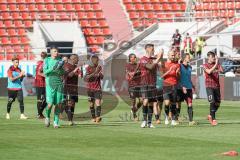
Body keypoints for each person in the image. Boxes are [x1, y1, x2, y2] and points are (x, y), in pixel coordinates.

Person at [139, 44, 163, 128]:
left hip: (153, 83)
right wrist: (158, 59)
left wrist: (161, 55)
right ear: (147, 49)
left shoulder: (153, 58)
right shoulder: (142, 59)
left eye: (154, 49)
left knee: (151, 103)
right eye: (152, 49)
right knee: (145, 101)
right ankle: (144, 120)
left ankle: (149, 122)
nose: (153, 50)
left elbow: (161, 64)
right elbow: (150, 67)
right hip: (144, 83)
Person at [43, 47, 65, 128]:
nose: (56, 52)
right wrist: (53, 68)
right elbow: (45, 72)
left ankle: (56, 122)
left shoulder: (60, 60)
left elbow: (63, 72)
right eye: (54, 51)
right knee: (50, 104)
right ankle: (47, 117)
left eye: (57, 51)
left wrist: (61, 68)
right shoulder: (47, 60)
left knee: (58, 104)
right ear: (51, 52)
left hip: (58, 83)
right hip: (49, 84)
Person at [202, 51, 223, 126]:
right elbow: (209, 71)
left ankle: (210, 115)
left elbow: (222, 70)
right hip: (209, 86)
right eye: (212, 57)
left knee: (218, 103)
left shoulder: (216, 64)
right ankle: (213, 119)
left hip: (217, 86)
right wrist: (216, 64)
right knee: (212, 102)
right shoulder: (205, 65)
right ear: (208, 57)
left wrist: (218, 62)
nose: (213, 58)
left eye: (214, 57)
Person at [161, 50, 180, 126]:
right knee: (167, 103)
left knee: (173, 103)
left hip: (174, 85)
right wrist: (169, 71)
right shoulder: (164, 64)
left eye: (173, 55)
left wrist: (177, 73)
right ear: (168, 55)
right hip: (166, 85)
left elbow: (179, 77)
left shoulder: (177, 65)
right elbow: (161, 76)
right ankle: (166, 117)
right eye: (171, 55)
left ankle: (173, 119)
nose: (173, 56)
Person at [63, 54, 83, 126]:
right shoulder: (66, 65)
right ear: (73, 59)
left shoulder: (75, 66)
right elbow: (69, 75)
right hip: (67, 87)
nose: (78, 60)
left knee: (73, 104)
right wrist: (77, 68)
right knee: (69, 104)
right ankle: (70, 120)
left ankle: (71, 119)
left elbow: (81, 76)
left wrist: (81, 69)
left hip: (74, 88)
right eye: (77, 59)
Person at [177, 54, 196, 126]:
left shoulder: (190, 67)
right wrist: (182, 86)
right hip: (181, 88)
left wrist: (192, 85)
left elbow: (188, 77)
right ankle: (176, 119)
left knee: (190, 103)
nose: (190, 59)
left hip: (188, 88)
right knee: (178, 104)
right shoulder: (180, 66)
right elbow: (178, 78)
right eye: (188, 57)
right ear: (184, 58)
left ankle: (191, 121)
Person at [84, 54, 104, 123]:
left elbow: (102, 77)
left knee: (98, 102)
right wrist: (95, 73)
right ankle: (93, 117)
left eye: (98, 60)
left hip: (97, 88)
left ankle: (98, 116)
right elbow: (86, 78)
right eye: (96, 60)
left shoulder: (99, 67)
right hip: (90, 89)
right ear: (92, 60)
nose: (97, 61)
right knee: (91, 104)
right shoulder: (88, 68)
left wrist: (100, 74)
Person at [125, 53, 142, 121]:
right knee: (133, 101)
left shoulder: (138, 65)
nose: (135, 58)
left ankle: (134, 110)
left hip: (139, 85)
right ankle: (135, 116)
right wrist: (136, 72)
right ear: (130, 58)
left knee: (142, 100)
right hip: (131, 85)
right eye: (133, 57)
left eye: (135, 57)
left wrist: (138, 71)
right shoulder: (127, 65)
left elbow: (141, 72)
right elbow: (130, 73)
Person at [35, 52, 47, 119]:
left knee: (46, 99)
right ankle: (39, 114)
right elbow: (39, 73)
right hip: (40, 83)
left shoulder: (39, 63)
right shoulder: (42, 63)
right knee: (40, 99)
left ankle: (39, 113)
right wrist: (47, 76)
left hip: (41, 83)